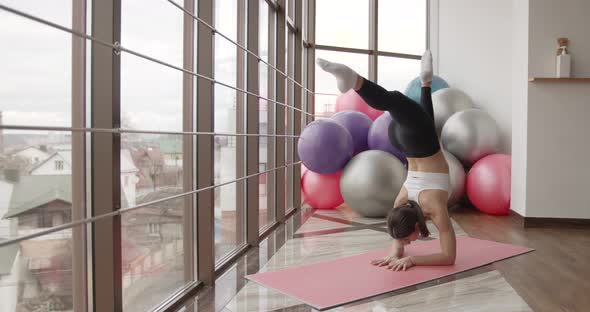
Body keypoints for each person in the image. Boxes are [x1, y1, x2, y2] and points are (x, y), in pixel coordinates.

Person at [317, 51, 456, 271]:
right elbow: (448, 257)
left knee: (396, 101)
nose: (407, 244)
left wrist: (400, 255)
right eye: (407, 241)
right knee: (423, 122)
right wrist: (399, 255)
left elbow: (448, 257)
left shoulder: (410, 207)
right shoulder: (414, 207)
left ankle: (354, 79)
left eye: (406, 240)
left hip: (410, 141)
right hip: (409, 140)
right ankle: (426, 81)